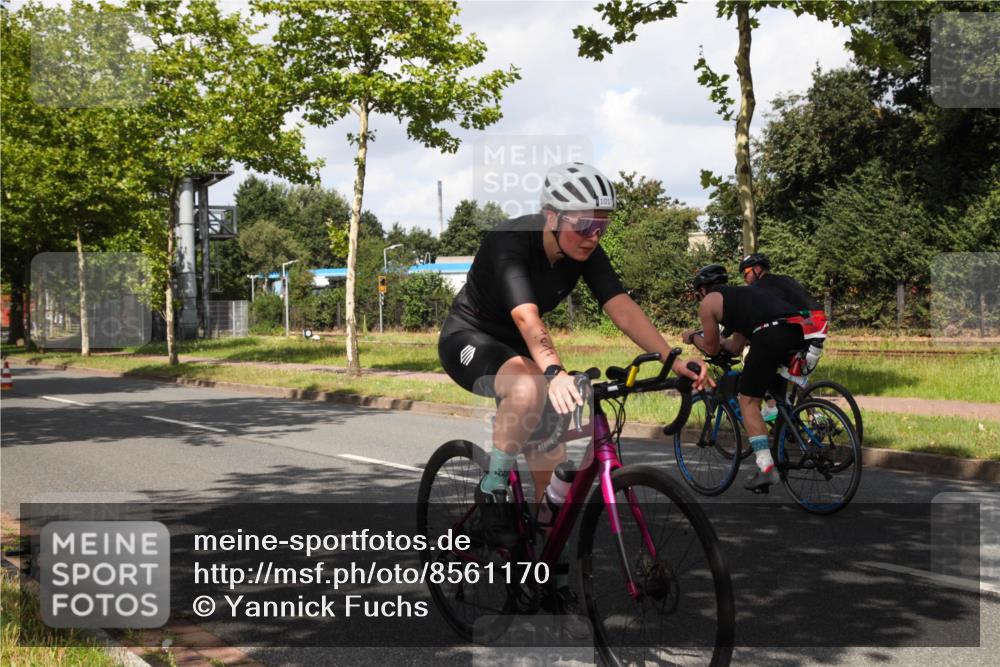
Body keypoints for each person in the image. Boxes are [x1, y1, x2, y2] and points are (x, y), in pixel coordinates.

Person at [438, 162, 708, 618]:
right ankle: (492, 491)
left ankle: (548, 565)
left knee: (555, 455)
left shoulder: (586, 251)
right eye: (582, 223)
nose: (592, 234)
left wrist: (672, 359)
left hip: (526, 347)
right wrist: (556, 372)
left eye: (601, 224)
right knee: (527, 388)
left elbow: (621, 307)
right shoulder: (509, 241)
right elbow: (526, 318)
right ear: (551, 216)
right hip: (471, 338)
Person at [682, 264, 803, 491]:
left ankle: (767, 468)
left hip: (769, 335)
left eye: (697, 294)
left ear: (702, 290)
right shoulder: (744, 298)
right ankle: (789, 425)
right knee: (773, 389)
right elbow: (736, 347)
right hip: (796, 331)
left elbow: (711, 348)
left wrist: (691, 337)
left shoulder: (709, 303)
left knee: (747, 401)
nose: (698, 298)